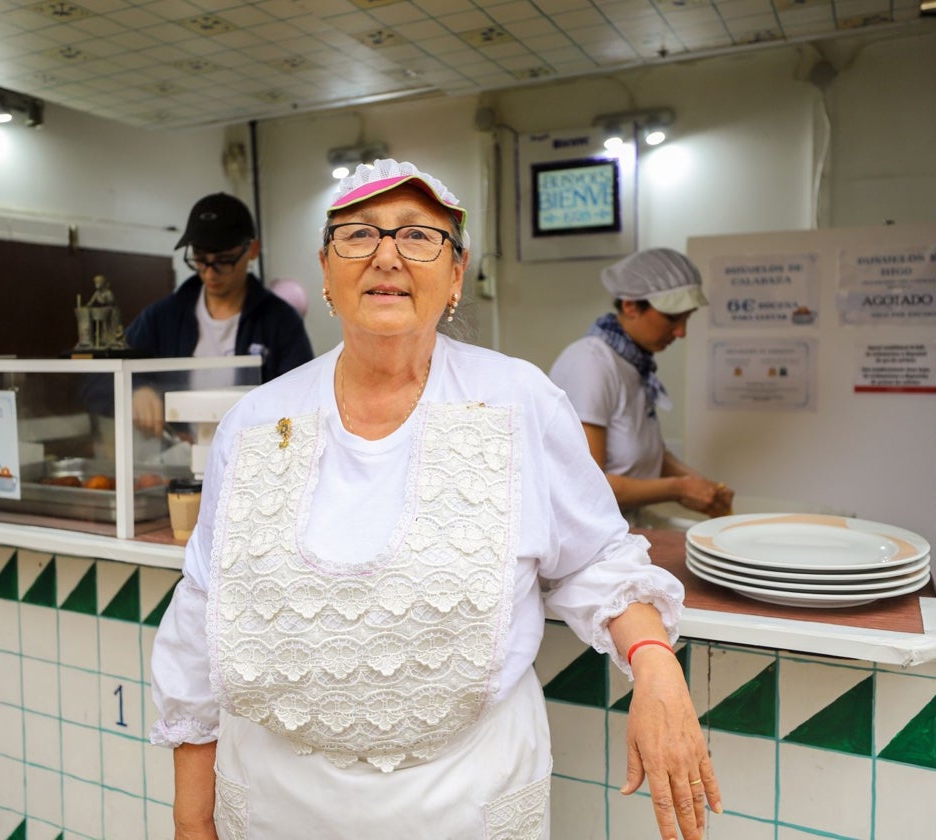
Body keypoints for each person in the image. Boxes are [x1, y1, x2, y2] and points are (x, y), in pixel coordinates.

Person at [148, 159, 722, 840]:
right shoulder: (257, 422)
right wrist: (191, 822)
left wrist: (655, 666)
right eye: (359, 235)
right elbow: (203, 617)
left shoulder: (518, 402)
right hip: (274, 803)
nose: (387, 255)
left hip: (465, 803)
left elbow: (594, 558)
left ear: (456, 272)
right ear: (326, 271)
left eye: (419, 236)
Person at [549, 248, 735, 521]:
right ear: (630, 306)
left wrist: (704, 486)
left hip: (623, 524)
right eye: (672, 318)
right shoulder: (592, 363)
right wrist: (680, 488)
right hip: (588, 535)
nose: (681, 332)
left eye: (687, 318)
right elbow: (590, 483)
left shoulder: (635, 363)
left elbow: (650, 453)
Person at [125, 193, 314, 436]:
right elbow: (99, 380)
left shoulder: (280, 321)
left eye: (224, 260)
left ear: (252, 250)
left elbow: (303, 398)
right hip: (180, 459)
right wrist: (136, 389)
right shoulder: (163, 317)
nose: (210, 273)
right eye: (201, 260)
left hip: (253, 461)